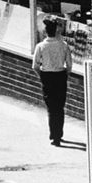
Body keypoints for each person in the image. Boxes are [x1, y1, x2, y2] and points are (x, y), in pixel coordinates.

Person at [32, 17, 73, 146]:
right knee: (60, 107)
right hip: (60, 75)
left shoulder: (40, 46)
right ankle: (59, 135)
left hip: (47, 77)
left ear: (45, 32)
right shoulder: (64, 45)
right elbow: (69, 65)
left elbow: (35, 66)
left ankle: (53, 134)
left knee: (51, 107)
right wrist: (65, 74)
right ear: (56, 31)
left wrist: (41, 76)